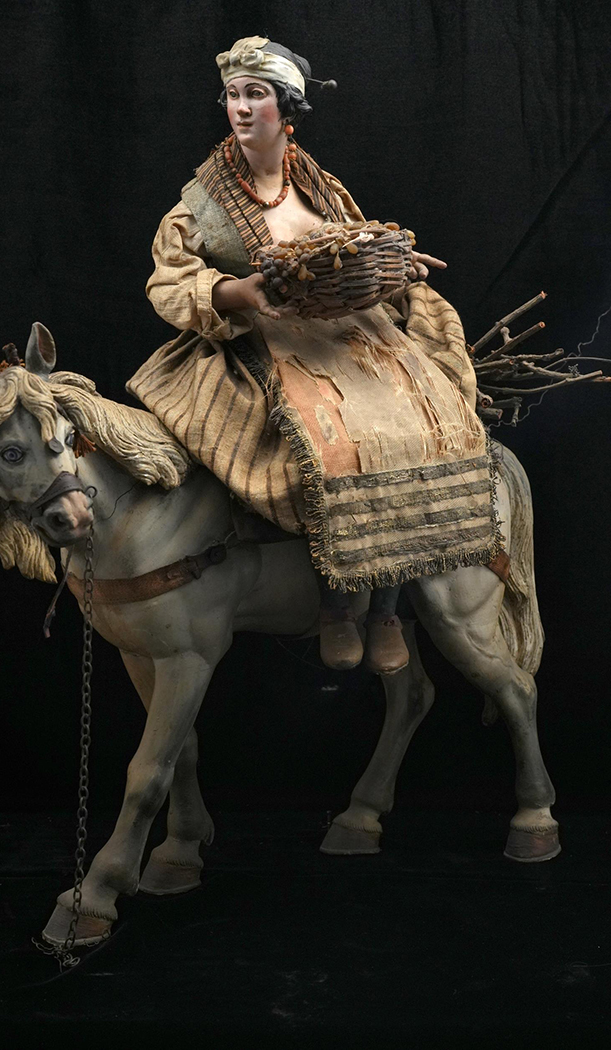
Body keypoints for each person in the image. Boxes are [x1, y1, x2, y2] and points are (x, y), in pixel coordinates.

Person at [127, 36, 501, 674]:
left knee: (417, 426)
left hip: (353, 331)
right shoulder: (201, 205)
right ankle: (338, 604)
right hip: (271, 338)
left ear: (287, 107)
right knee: (331, 443)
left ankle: (387, 607)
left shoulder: (319, 185)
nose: (242, 108)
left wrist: (396, 268)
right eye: (233, 96)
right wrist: (234, 291)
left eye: (256, 95)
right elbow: (169, 280)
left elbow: (358, 245)